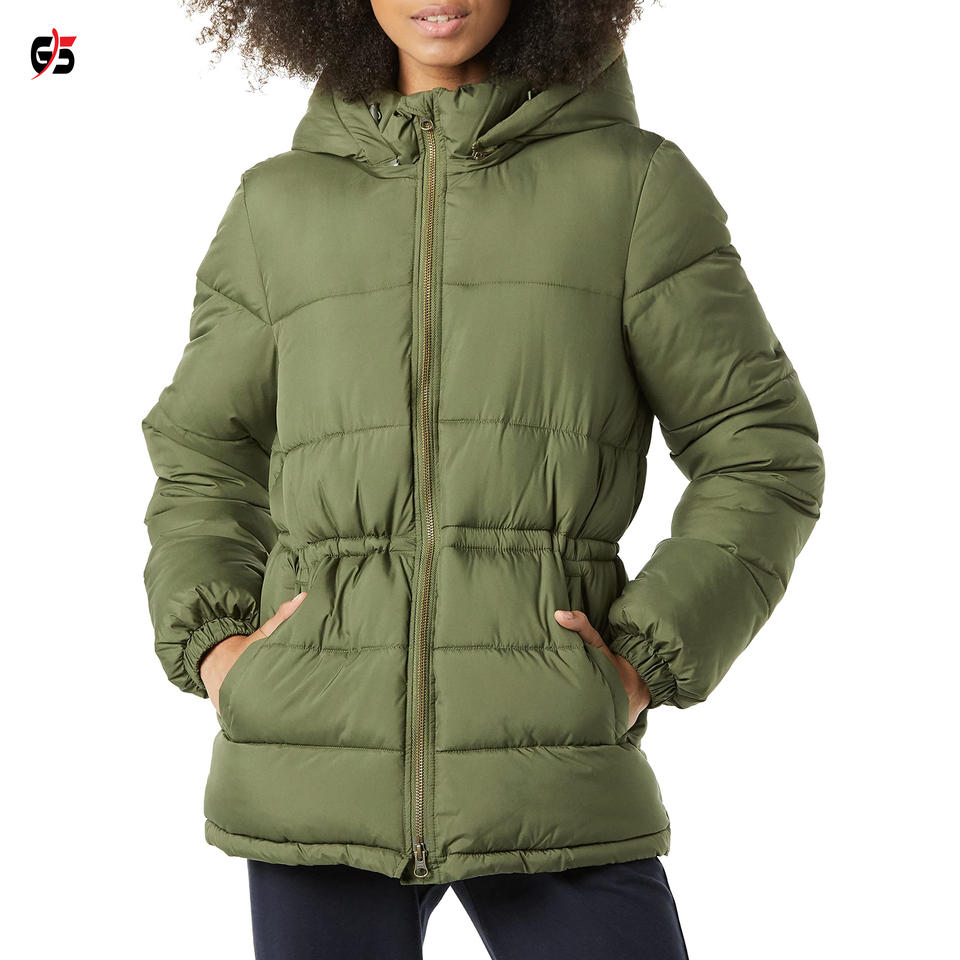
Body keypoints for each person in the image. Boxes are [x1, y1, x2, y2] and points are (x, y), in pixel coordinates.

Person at [141, 2, 825, 957]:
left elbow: (760, 448)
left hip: (550, 760)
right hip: (313, 767)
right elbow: (201, 451)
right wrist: (218, 649)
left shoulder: (631, 188)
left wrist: (640, 663)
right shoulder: (278, 206)